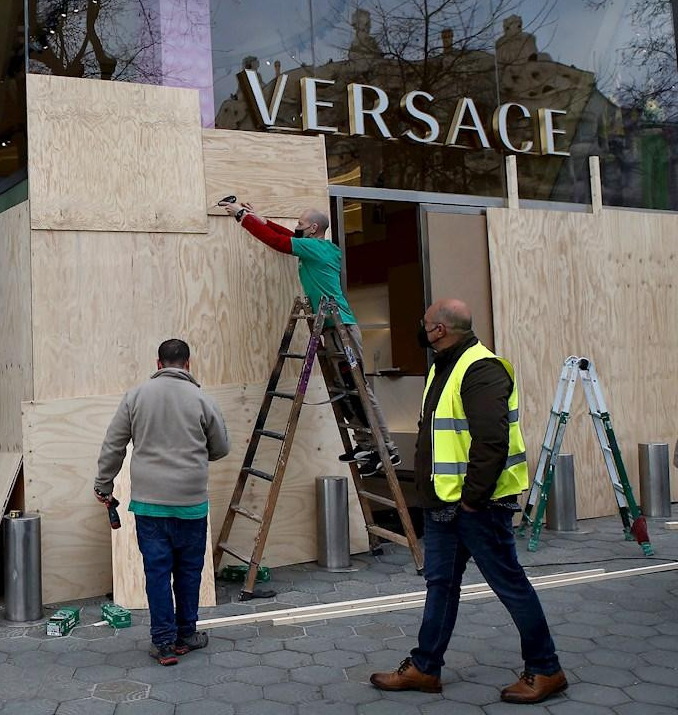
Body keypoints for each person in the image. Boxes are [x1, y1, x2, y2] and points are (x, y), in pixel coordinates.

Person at [369, 299, 566, 705]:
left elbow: (491, 440)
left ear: (440, 330)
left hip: (477, 506)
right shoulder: (444, 365)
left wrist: (474, 500)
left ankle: (547, 669)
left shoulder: (481, 369)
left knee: (508, 583)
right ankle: (425, 667)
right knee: (441, 584)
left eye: (425, 324)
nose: (420, 330)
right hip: (444, 503)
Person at [219, 201, 397, 475]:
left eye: (301, 224)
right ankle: (366, 444)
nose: (297, 228)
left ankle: (385, 449)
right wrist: (258, 218)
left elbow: (278, 242)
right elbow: (285, 236)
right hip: (331, 327)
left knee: (357, 387)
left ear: (314, 228)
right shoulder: (316, 247)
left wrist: (242, 217)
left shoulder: (316, 248)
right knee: (346, 391)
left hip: (341, 328)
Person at [94, 339, 231, 666]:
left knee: (157, 573)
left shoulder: (136, 397)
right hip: (191, 505)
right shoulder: (201, 399)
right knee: (189, 572)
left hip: (149, 507)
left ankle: (164, 643)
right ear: (187, 363)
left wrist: (103, 485)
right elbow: (221, 447)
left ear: (158, 364)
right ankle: (187, 634)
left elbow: (113, 445)